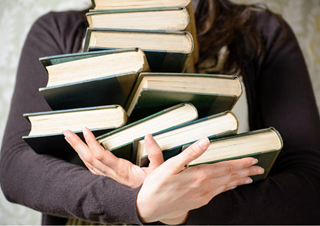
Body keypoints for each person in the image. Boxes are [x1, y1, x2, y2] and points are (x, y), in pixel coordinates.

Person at [1, 0, 320, 224]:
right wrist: (139, 201)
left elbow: (310, 187)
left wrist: (180, 209)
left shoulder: (262, 34)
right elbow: (17, 167)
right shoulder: (57, 30)